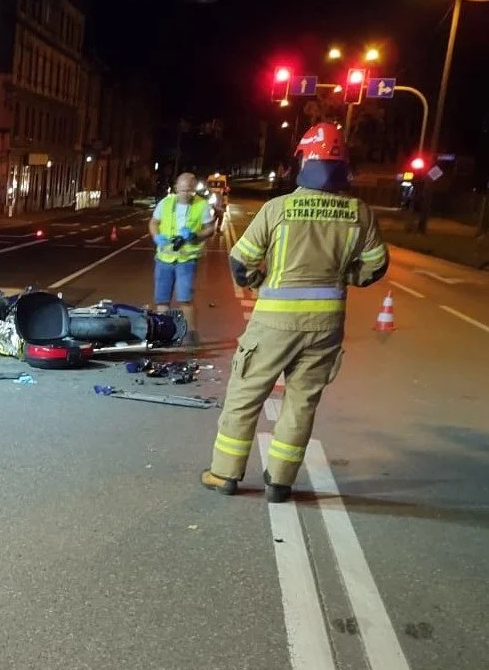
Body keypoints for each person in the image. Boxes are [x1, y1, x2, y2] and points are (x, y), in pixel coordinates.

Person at [201, 122, 388, 502]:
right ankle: (281, 482)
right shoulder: (359, 213)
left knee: (245, 395)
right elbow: (375, 266)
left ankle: (225, 474)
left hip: (274, 323)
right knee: (302, 402)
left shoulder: (279, 209)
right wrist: (344, 274)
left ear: (304, 160)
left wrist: (260, 281)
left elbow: (241, 262)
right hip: (326, 327)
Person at [148, 172, 216, 344]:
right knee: (162, 299)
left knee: (185, 298)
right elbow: (154, 222)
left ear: (193, 190)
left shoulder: (202, 205)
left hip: (187, 259)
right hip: (165, 257)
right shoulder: (166, 202)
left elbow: (210, 229)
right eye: (182, 190)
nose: (185, 193)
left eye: (189, 190)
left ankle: (191, 334)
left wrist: (195, 236)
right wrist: (157, 237)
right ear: (176, 187)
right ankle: (163, 332)